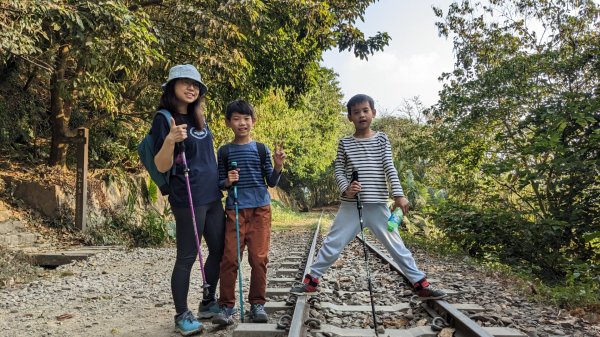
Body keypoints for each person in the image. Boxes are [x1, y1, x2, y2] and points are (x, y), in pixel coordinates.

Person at [290, 94, 446, 300]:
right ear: (349, 117)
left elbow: (389, 167)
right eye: (356, 112)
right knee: (332, 243)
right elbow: (338, 170)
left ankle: (420, 283)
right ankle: (311, 281)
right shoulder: (345, 142)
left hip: (378, 205)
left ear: (373, 113)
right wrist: (347, 189)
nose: (361, 115)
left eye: (365, 110)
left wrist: (399, 195)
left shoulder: (382, 139)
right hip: (351, 205)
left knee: (396, 246)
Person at [152, 64, 225, 335]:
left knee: (219, 250)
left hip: (212, 196)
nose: (191, 87)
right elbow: (161, 165)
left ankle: (208, 302)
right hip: (188, 197)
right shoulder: (164, 118)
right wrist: (170, 139)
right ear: (172, 87)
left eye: (195, 84)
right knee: (187, 256)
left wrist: (224, 182)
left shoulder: (199, 118)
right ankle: (181, 314)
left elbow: (208, 159)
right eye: (185, 82)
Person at [212, 99, 286, 325]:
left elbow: (271, 182)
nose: (242, 123)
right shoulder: (224, 150)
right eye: (236, 119)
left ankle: (257, 305)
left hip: (260, 210)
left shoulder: (261, 148)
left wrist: (278, 166)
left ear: (253, 121)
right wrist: (227, 180)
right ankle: (226, 308)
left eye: (246, 119)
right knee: (229, 259)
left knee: (259, 259)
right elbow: (219, 183)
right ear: (228, 123)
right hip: (235, 210)